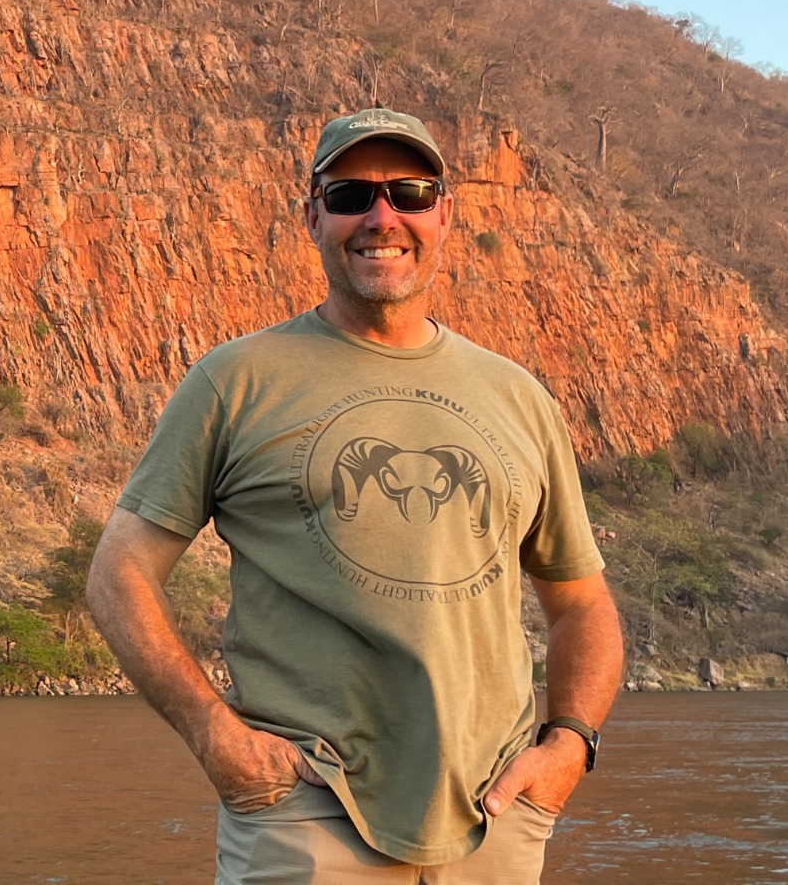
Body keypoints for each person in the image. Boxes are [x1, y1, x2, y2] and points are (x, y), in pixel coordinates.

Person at [86, 107, 623, 883]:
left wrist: (569, 744)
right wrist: (215, 737)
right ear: (313, 217)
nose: (382, 217)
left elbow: (582, 604)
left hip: (496, 819)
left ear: (445, 214)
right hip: (307, 811)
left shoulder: (520, 398)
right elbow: (118, 574)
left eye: (410, 193)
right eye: (349, 196)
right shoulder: (234, 382)